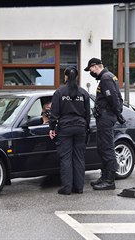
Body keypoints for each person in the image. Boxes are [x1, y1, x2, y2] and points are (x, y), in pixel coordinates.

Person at [84, 58, 125, 190]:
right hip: (106, 116)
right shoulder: (108, 77)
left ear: (95, 66)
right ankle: (104, 176)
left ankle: (109, 180)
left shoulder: (106, 78)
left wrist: (116, 112)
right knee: (102, 146)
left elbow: (113, 98)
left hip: (106, 116)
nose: (90, 72)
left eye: (90, 69)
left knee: (106, 147)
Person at [49, 66, 90, 195]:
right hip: (80, 128)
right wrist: (86, 127)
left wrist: (51, 128)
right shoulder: (83, 93)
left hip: (65, 129)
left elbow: (54, 113)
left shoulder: (59, 93)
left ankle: (66, 188)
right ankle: (79, 188)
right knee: (79, 158)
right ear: (77, 77)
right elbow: (88, 114)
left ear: (65, 77)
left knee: (66, 158)